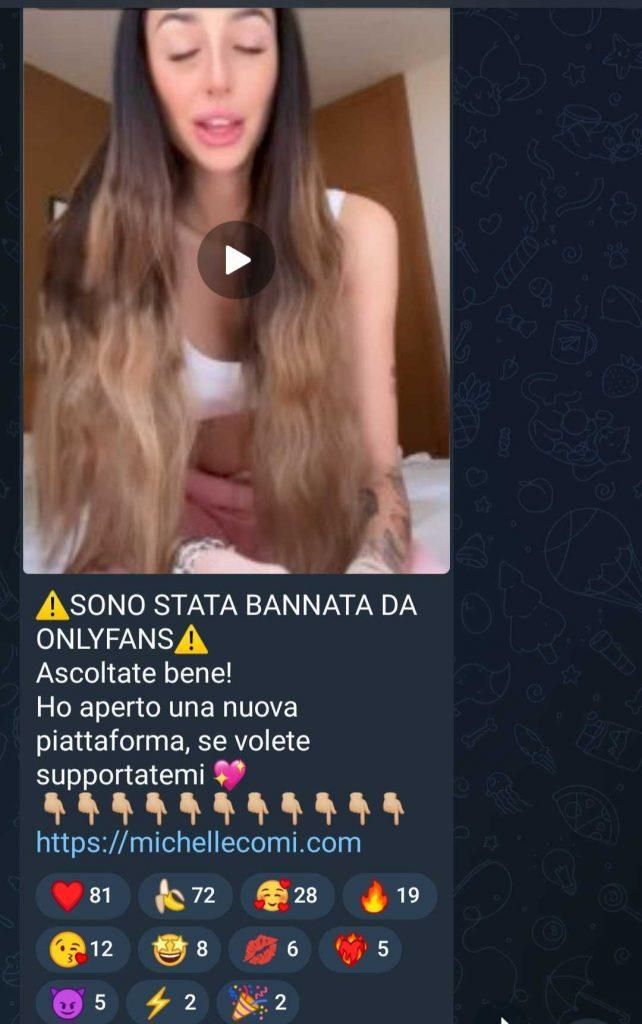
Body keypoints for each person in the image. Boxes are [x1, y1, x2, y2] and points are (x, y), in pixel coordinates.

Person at [34, 8, 415, 574]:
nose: (218, 78)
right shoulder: (96, 242)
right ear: (144, 75)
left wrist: (372, 574)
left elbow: (378, 469)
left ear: (282, 67)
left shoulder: (359, 231)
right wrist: (198, 558)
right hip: (166, 519)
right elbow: (106, 482)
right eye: (183, 50)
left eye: (249, 44)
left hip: (314, 508)